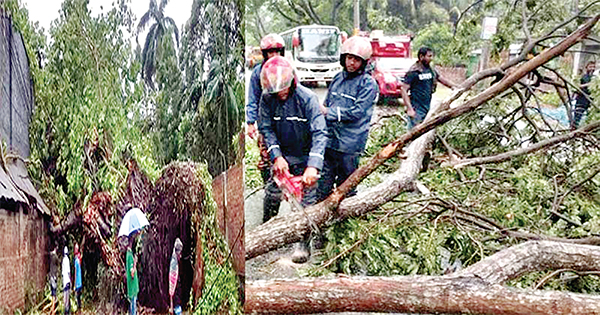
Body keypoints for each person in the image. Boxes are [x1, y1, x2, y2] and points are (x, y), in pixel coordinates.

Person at [258, 56, 328, 263]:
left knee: (306, 201)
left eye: (283, 89)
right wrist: (276, 156)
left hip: (306, 155)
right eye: (275, 90)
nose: (280, 94)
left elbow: (320, 133)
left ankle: (302, 243)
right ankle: (265, 233)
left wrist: (313, 166)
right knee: (271, 194)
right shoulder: (267, 98)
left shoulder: (307, 98)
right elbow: (267, 129)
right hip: (283, 154)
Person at [317, 36, 379, 205]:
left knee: (347, 186)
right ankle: (319, 223)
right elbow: (327, 103)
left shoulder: (368, 84)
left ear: (364, 62)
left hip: (350, 144)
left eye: (356, 60)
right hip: (330, 140)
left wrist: (329, 112)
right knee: (323, 184)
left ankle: (344, 224)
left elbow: (357, 112)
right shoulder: (338, 78)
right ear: (343, 58)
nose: (352, 63)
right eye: (349, 58)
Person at [247, 34, 286, 184]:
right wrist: (250, 122)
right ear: (265, 54)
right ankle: (268, 184)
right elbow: (253, 98)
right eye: (271, 52)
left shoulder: (288, 69)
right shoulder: (258, 73)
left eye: (277, 52)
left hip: (284, 120)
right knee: (266, 155)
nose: (274, 56)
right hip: (265, 121)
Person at [399, 46, 456, 129]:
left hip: (427, 107)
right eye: (429, 56)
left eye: (431, 56)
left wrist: (454, 87)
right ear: (421, 57)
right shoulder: (413, 71)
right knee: (414, 133)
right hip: (416, 109)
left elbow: (441, 79)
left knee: (425, 131)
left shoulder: (430, 70)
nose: (431, 58)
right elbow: (403, 89)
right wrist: (409, 109)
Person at [572, 61, 596, 128]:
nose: (592, 68)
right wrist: (587, 85)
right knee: (577, 117)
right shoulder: (582, 77)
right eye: (590, 67)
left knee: (589, 118)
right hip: (581, 99)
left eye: (593, 67)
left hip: (590, 101)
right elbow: (576, 86)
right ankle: (573, 129)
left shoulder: (595, 78)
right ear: (586, 68)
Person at [168, 238, 183, 315]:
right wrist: (171, 304)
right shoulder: (174, 263)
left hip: (177, 295)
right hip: (175, 296)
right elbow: (172, 282)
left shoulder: (176, 261)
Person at [126, 237, 139, 315]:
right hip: (133, 288)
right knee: (133, 309)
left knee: (132, 308)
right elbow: (132, 273)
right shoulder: (130, 256)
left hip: (132, 287)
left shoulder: (128, 254)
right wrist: (135, 263)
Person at [49, 246, 59, 315]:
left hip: (51, 276)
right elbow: (58, 263)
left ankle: (52, 309)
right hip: (54, 277)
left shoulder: (50, 256)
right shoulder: (55, 257)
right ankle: (53, 310)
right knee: (54, 293)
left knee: (52, 293)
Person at [73, 243, 83, 313]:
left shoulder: (76, 259)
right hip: (80, 282)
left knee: (77, 297)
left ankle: (78, 310)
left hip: (78, 282)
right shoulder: (79, 258)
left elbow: (76, 272)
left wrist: (74, 283)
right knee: (79, 297)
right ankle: (79, 310)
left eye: (75, 248)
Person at [61, 246, 71, 315]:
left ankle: (65, 310)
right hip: (67, 281)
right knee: (67, 297)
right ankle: (67, 312)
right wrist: (70, 280)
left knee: (65, 297)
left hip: (64, 281)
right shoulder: (67, 260)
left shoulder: (63, 260)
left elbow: (62, 272)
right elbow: (68, 272)